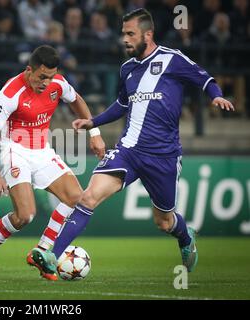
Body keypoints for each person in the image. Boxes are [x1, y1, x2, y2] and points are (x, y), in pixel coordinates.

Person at [34, 8, 235, 275]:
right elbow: (121, 105)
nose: (125, 39)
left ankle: (186, 236)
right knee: (88, 197)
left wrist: (216, 95)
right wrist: (92, 122)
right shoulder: (127, 69)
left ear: (147, 34)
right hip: (128, 150)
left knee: (164, 222)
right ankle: (51, 255)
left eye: (130, 34)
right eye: (123, 34)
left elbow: (204, 78)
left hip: (163, 155)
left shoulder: (172, 59)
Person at [0, 45, 105, 281]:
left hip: (42, 150)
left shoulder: (58, 84)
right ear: (28, 70)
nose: (46, 82)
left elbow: (77, 101)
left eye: (50, 77)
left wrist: (94, 134)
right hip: (14, 150)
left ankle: (41, 252)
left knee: (77, 199)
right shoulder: (11, 93)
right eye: (41, 76)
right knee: (25, 216)